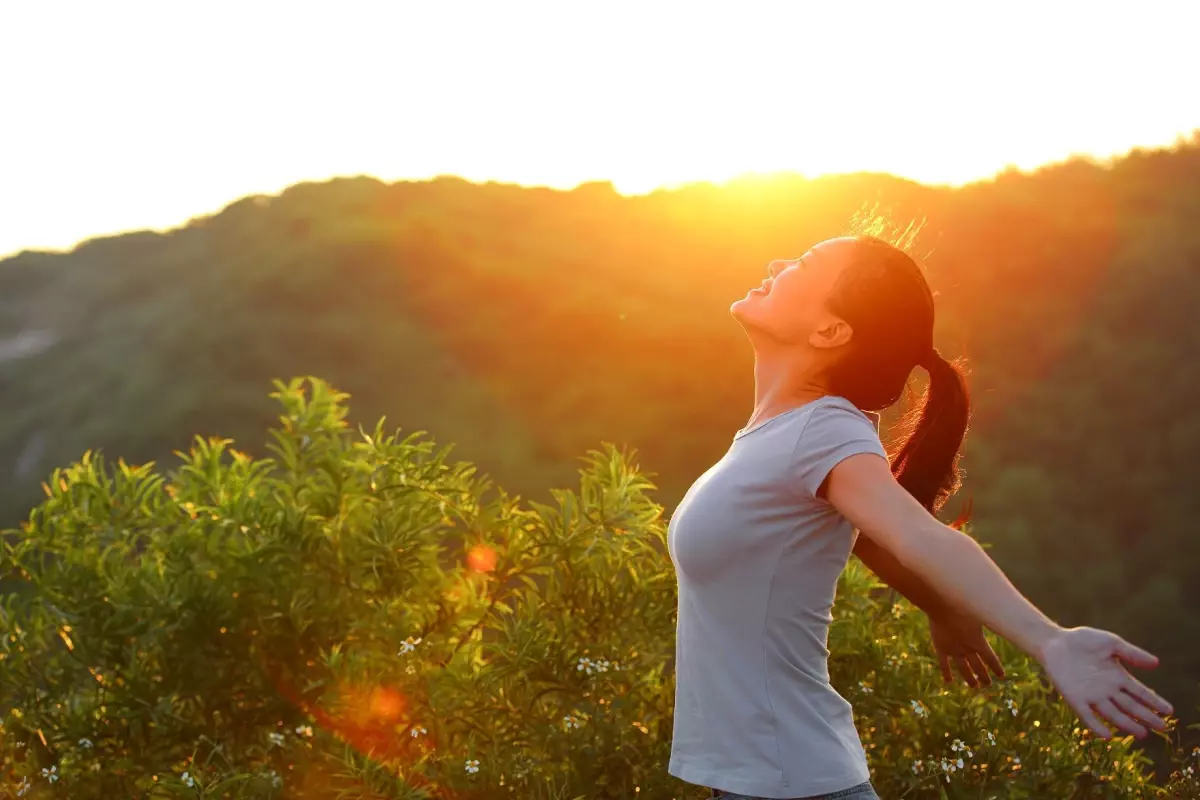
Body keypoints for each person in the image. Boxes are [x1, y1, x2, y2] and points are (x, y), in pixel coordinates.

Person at [665, 236, 1174, 800]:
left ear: (831, 332)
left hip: (792, 782)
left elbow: (915, 534)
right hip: (759, 779)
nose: (776, 264)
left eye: (802, 265)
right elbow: (866, 538)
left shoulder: (825, 431)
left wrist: (1049, 640)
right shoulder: (782, 434)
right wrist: (940, 605)